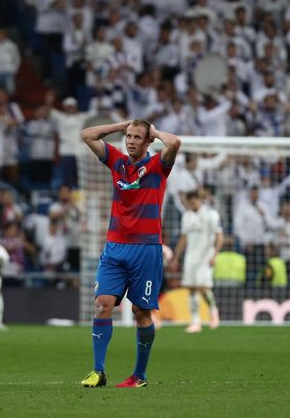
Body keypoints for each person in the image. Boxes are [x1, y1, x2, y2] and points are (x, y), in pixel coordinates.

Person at [79, 118, 181, 388]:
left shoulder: (158, 165)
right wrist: (122, 125)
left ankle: (139, 376)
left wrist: (154, 131)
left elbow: (175, 142)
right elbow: (88, 135)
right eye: (129, 137)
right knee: (103, 304)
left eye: (138, 137)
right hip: (115, 246)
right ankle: (97, 372)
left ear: (148, 141)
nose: (131, 141)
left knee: (141, 312)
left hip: (146, 249)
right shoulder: (117, 162)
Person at [171, 189, 223, 333]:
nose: (190, 204)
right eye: (189, 202)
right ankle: (195, 322)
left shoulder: (211, 215)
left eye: (193, 201)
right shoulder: (187, 216)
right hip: (191, 257)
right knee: (191, 288)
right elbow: (184, 238)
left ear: (199, 199)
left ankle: (213, 311)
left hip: (206, 256)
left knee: (203, 287)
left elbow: (219, 236)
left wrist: (215, 255)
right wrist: (176, 257)